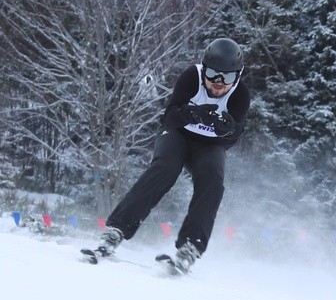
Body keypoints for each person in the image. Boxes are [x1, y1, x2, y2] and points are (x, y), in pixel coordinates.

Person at [81, 38, 251, 273]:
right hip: (177, 134)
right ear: (204, 70)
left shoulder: (240, 94)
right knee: (165, 168)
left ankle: (191, 246)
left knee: (213, 178)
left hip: (209, 146)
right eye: (213, 74)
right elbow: (169, 117)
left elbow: (233, 138)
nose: (219, 84)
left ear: (237, 76)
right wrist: (193, 113)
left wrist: (228, 129)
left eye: (228, 77)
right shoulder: (192, 76)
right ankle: (116, 231)